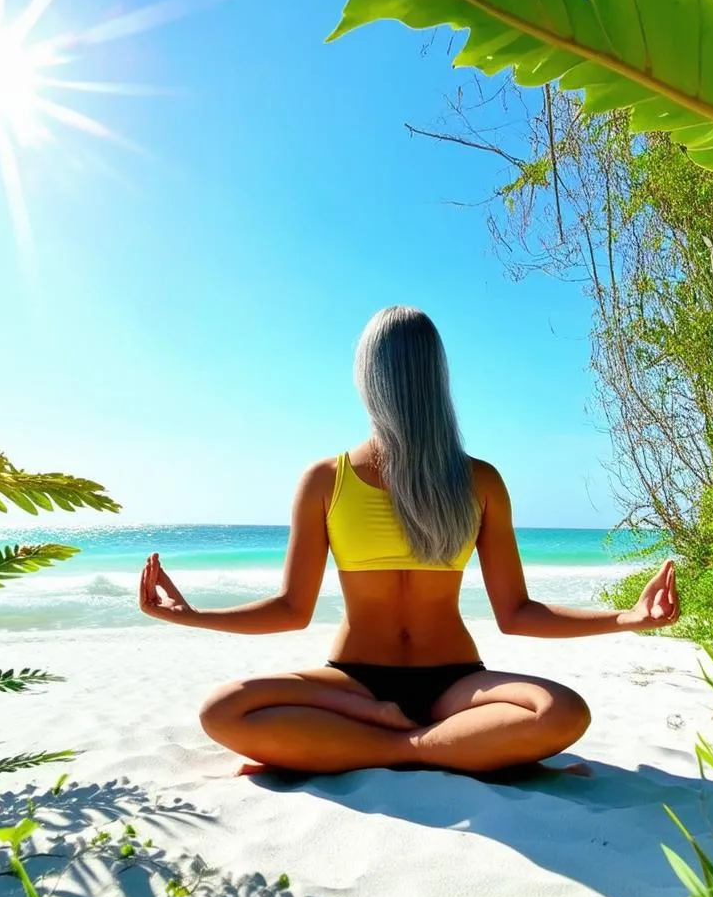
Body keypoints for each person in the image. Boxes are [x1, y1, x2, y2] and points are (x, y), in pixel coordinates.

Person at [138, 306, 678, 777]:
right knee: (223, 709)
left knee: (561, 710)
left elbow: (516, 613)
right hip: (353, 686)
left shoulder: (479, 482)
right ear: (436, 377)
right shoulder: (327, 480)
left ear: (365, 377)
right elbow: (291, 609)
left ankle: (384, 748)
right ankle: (445, 747)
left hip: (455, 685)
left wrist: (626, 618)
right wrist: (192, 615)